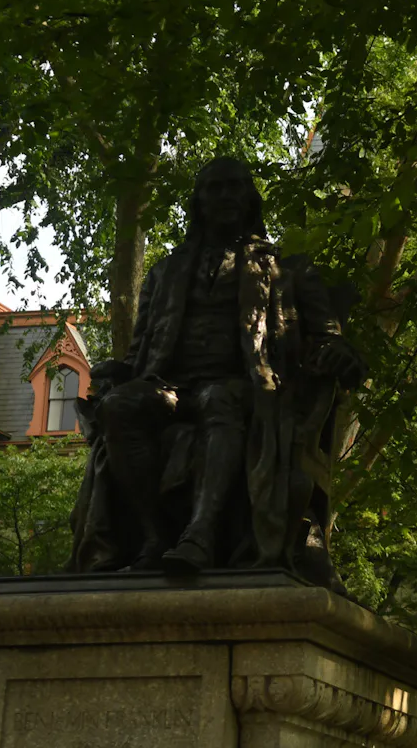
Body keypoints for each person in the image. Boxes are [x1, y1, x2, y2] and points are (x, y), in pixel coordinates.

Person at [67, 157, 363, 579]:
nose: (226, 196)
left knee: (218, 398)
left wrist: (336, 353)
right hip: (169, 386)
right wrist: (117, 373)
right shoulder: (164, 272)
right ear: (199, 202)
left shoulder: (287, 270)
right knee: (120, 406)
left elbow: (331, 335)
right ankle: (154, 538)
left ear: (250, 199)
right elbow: (138, 354)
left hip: (247, 386)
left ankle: (200, 534)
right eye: (215, 188)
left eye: (235, 187)